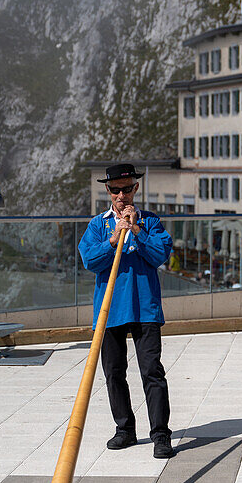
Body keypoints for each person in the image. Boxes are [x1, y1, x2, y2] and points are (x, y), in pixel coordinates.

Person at [79, 163, 175, 459]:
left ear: (136, 188)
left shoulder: (151, 222)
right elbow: (89, 260)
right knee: (114, 373)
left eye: (127, 188)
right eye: (115, 189)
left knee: (152, 371)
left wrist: (135, 230)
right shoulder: (98, 225)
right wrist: (113, 238)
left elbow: (161, 253)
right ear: (108, 191)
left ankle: (160, 434)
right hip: (110, 311)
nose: (122, 195)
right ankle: (125, 429)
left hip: (145, 308)